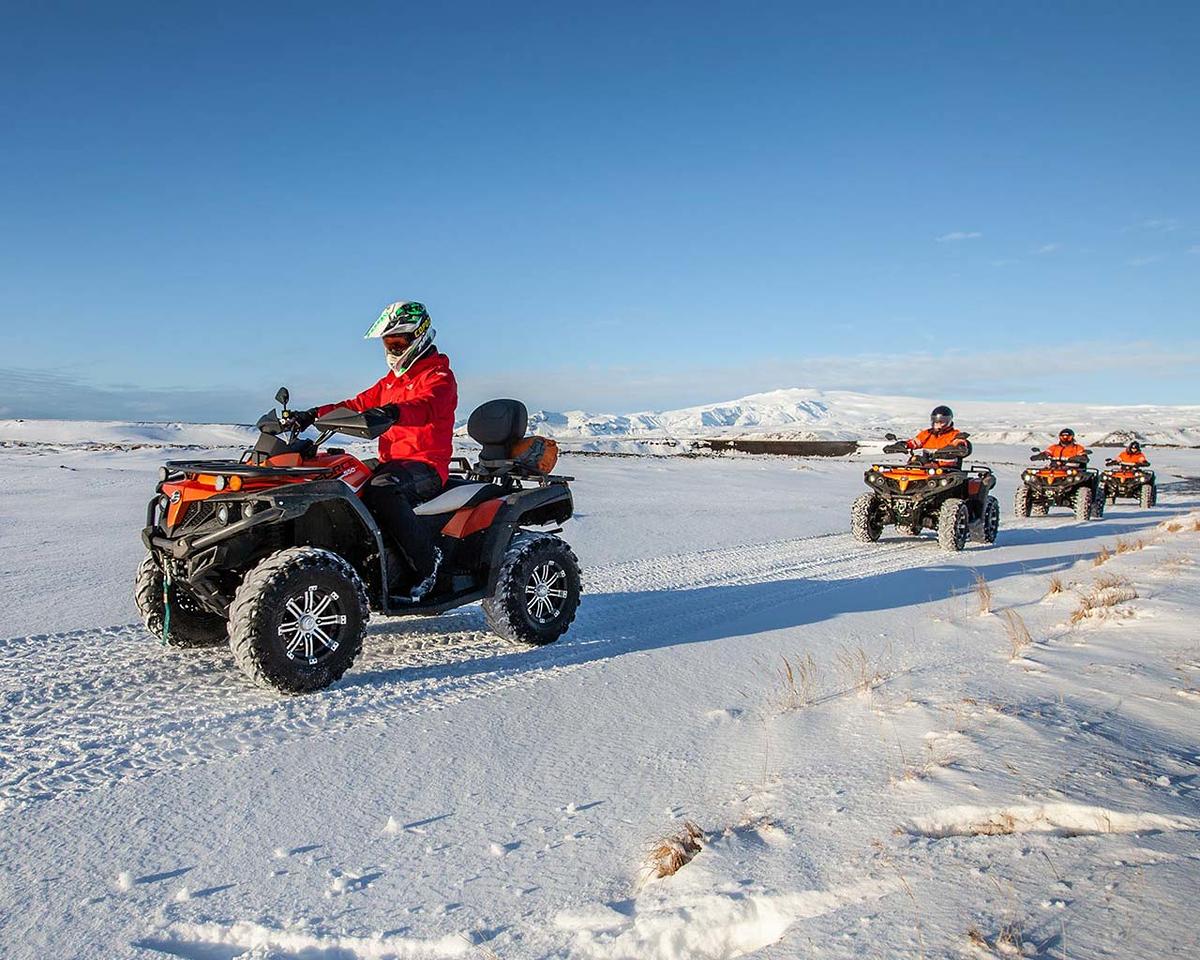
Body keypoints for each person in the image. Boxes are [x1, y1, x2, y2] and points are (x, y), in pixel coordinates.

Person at [288, 300, 458, 599]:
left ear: (418, 336)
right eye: (388, 343)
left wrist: (393, 412)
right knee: (343, 478)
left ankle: (427, 564)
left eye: (398, 342)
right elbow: (356, 404)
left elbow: (426, 406)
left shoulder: (439, 376)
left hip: (426, 465)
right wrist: (313, 414)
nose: (392, 349)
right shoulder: (391, 382)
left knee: (382, 490)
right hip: (391, 461)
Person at [885, 405, 971, 462]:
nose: (938, 425)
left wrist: (955, 448)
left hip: (945, 468)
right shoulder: (927, 433)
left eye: (942, 422)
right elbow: (916, 442)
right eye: (936, 422)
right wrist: (904, 445)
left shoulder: (955, 434)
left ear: (949, 421)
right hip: (926, 465)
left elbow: (959, 442)